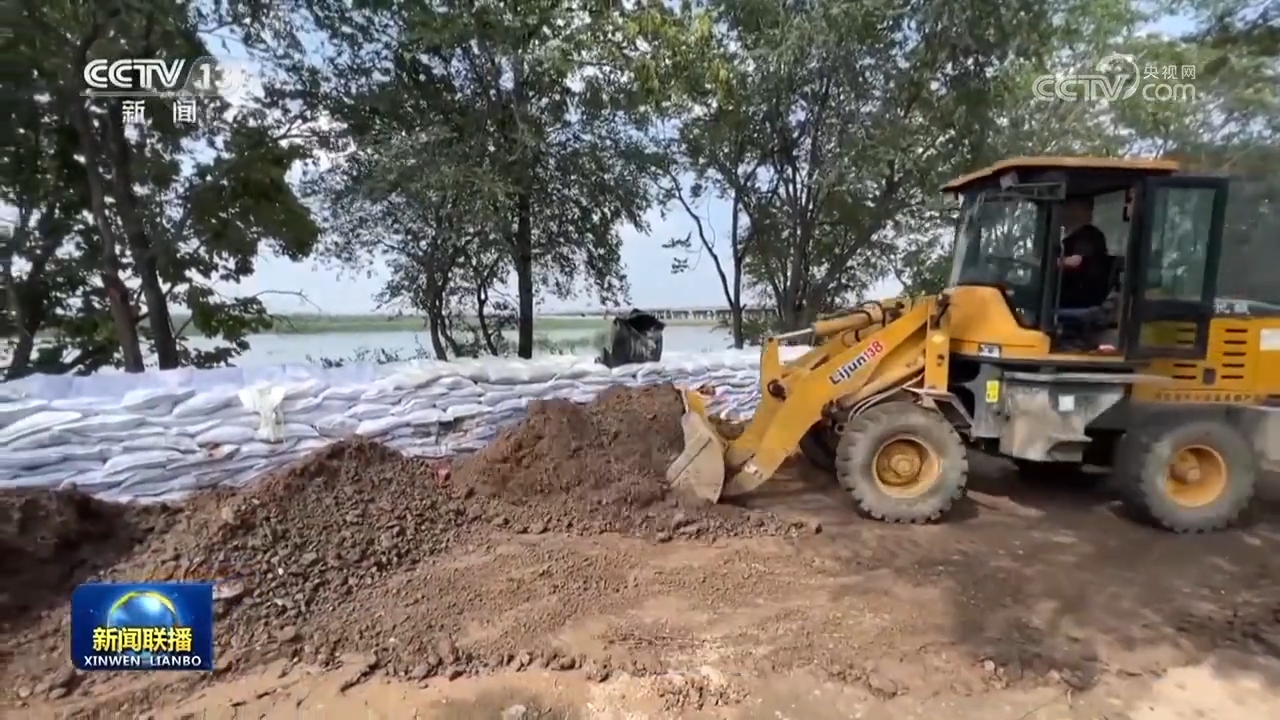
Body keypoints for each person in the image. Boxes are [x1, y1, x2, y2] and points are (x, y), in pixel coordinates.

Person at [1057, 196, 1112, 309]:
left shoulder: (1089, 236)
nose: (1061, 209)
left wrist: (1048, 264)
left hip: (1078, 301)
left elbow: (1076, 261)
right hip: (1062, 296)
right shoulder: (1068, 237)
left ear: (1082, 209)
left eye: (1065, 205)